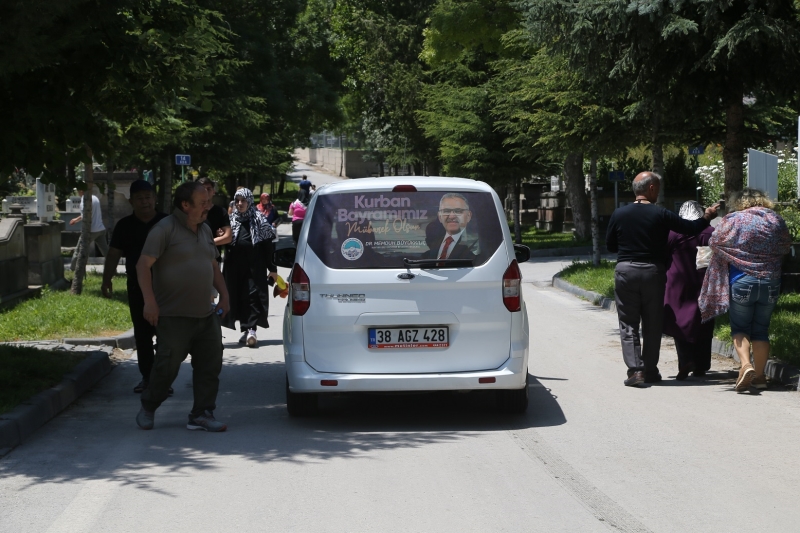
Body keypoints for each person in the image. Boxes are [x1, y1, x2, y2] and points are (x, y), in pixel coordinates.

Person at [605, 172, 718, 387]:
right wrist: (707, 216)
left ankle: (635, 371)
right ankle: (649, 370)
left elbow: (610, 246)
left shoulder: (619, 214)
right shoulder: (661, 214)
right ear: (651, 189)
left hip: (625, 270)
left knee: (628, 323)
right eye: (657, 187)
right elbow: (691, 229)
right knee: (652, 322)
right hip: (652, 272)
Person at [135, 181, 230, 432]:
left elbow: (212, 264)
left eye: (208, 201)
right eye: (202, 203)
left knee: (210, 365)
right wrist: (150, 302)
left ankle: (202, 414)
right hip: (173, 316)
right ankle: (148, 406)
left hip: (205, 314)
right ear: (185, 205)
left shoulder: (206, 230)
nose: (208, 206)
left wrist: (224, 295)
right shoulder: (164, 229)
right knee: (166, 368)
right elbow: (142, 266)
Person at [699, 188, 791, 393]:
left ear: (739, 202)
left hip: (741, 280)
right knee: (761, 329)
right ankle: (759, 377)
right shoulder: (775, 219)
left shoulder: (733, 219)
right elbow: (786, 246)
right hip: (771, 281)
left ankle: (745, 365)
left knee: (740, 328)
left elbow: (714, 242)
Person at [101, 180, 168, 393]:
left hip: (167, 286)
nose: (144, 202)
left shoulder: (167, 222)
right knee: (142, 333)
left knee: (167, 334)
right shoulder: (125, 226)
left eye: (148, 197)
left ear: (154, 198)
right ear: (131, 201)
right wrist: (106, 279)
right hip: (137, 286)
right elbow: (113, 254)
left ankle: (163, 381)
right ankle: (148, 378)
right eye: (139, 198)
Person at [662, 201, 715, 380]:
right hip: (703, 283)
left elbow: (664, 254)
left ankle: (685, 360)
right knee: (703, 322)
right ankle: (701, 365)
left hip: (678, 283)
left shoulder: (674, 232)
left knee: (679, 322)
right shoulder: (709, 232)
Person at [222, 188, 278, 346]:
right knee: (236, 297)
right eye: (237, 200)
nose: (240, 204)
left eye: (243, 200)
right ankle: (245, 329)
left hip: (254, 268)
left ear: (250, 201)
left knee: (252, 297)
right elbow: (223, 242)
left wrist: (272, 269)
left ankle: (251, 329)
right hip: (233, 268)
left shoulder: (259, 220)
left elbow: (268, 247)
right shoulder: (230, 220)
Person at [423, 193, 479, 259]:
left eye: (458, 211)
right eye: (446, 211)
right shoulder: (436, 243)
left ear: (468, 216)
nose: (452, 216)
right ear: (440, 217)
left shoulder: (475, 245)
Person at [69, 189, 109, 271]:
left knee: (78, 251)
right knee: (106, 252)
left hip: (91, 230)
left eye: (77, 191)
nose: (77, 193)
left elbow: (85, 216)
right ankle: (112, 268)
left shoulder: (84, 199)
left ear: (81, 191)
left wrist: (84, 231)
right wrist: (76, 219)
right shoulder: (95, 198)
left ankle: (72, 270)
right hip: (100, 229)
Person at [197, 177, 232, 257]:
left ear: (213, 191)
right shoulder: (192, 211)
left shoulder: (221, 212)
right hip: (194, 258)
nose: (205, 191)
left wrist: (206, 243)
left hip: (214, 257)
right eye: (202, 189)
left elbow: (228, 237)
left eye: (208, 189)